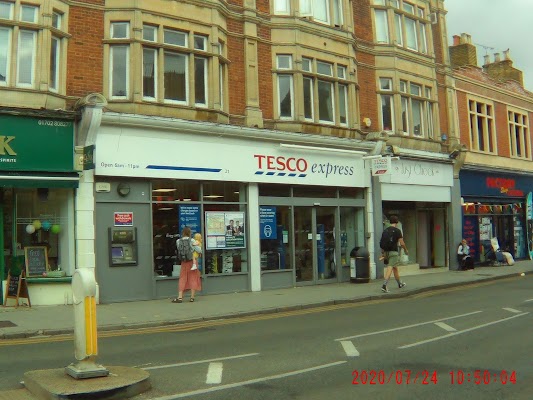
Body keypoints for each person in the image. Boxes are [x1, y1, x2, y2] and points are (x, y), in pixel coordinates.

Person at [173, 227, 202, 303]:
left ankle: (180, 297)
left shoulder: (178, 241)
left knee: (182, 278)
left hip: (184, 262)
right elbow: (199, 250)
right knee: (193, 278)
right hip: (192, 262)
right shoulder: (192, 240)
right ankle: (192, 297)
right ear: (189, 233)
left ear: (183, 233)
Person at [380, 215, 408, 293]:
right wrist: (406, 250)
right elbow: (402, 243)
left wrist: (383, 253)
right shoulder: (397, 231)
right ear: (396, 222)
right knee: (390, 267)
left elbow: (382, 242)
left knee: (395, 268)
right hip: (394, 253)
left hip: (386, 252)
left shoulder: (385, 230)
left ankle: (400, 283)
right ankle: (384, 285)